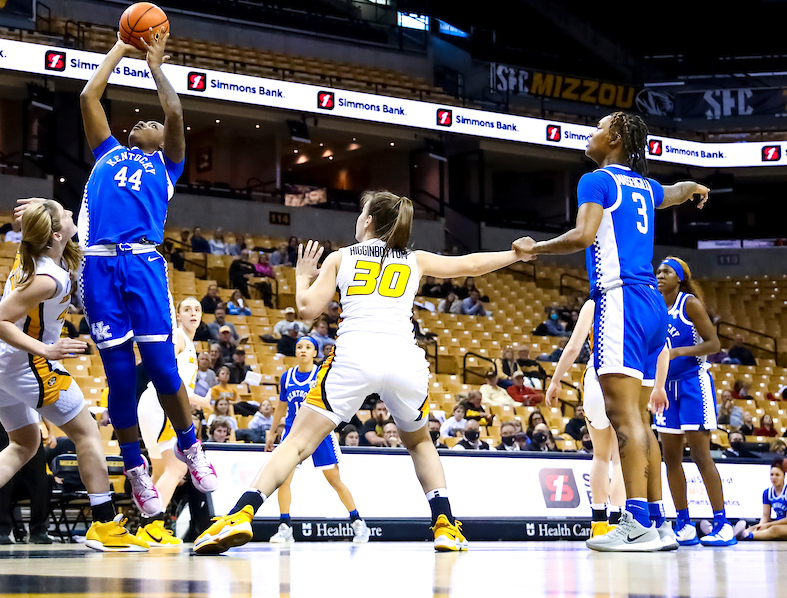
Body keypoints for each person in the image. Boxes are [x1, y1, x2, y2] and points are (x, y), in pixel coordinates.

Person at [195, 190, 534, 555]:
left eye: (362, 213)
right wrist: (515, 253)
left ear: (369, 221)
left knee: (296, 443)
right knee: (420, 442)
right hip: (404, 359)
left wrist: (302, 275)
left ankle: (241, 513)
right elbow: (470, 265)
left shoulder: (341, 257)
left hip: (355, 357)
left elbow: (307, 309)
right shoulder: (414, 258)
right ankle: (445, 525)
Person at [515, 111, 709, 553]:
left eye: (598, 127)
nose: (590, 134)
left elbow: (584, 236)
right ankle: (658, 523)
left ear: (616, 137)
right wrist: (694, 188)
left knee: (625, 421)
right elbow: (674, 193)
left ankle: (635, 522)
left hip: (620, 300)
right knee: (642, 421)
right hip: (652, 306)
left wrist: (535, 248)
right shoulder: (644, 185)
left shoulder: (596, 180)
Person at [74, 25, 216, 522]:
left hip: (142, 262)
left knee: (161, 369)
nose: (142, 121)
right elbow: (91, 95)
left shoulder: (168, 166)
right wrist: (120, 46)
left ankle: (191, 448)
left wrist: (154, 66)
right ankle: (135, 469)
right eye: (138, 120)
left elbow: (175, 112)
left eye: (149, 123)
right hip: (97, 264)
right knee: (117, 377)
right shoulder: (108, 153)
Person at [0, 198, 145, 553]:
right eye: (67, 215)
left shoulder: (35, 255)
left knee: (24, 444)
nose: (73, 215)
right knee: (87, 433)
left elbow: (55, 216)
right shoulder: (49, 278)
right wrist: (46, 350)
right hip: (24, 360)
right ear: (55, 234)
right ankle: (104, 524)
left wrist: (45, 204)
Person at [652, 256, 735, 547]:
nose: (659, 275)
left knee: (701, 455)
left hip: (693, 384)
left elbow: (714, 344)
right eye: (658, 271)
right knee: (670, 459)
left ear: (680, 277)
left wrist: (679, 352)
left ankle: (722, 523)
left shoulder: (690, 304)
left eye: (666, 272)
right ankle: (684, 523)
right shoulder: (655, 303)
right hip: (664, 387)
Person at [267, 337, 368, 545]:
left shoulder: (322, 375)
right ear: (295, 352)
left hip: (319, 433)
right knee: (283, 480)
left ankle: (358, 522)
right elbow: (280, 406)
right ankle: (285, 527)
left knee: (334, 480)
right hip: (293, 433)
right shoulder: (287, 377)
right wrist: (271, 432)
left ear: (315, 353)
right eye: (299, 347)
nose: (303, 350)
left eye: (308, 347)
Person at [134, 296, 211, 547]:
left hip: (153, 404)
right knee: (177, 468)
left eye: (197, 309)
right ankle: (155, 526)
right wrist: (204, 401)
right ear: (178, 315)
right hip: (160, 404)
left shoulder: (188, 342)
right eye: (187, 309)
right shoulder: (178, 336)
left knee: (160, 470)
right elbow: (166, 373)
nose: (193, 313)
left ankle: (146, 525)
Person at [547, 298, 626, 537]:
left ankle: (598, 522)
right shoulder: (634, 301)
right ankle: (617, 520)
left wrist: (555, 380)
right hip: (623, 377)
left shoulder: (594, 304)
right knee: (619, 459)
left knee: (600, 456)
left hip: (594, 378)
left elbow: (572, 347)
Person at [739, 458, 787, 541]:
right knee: (756, 527)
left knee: (774, 529)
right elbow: (766, 516)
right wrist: (760, 525)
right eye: (771, 474)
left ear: (783, 476)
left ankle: (747, 535)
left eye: (777, 475)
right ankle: (742, 534)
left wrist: (767, 525)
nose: (774, 477)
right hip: (781, 526)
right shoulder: (767, 493)